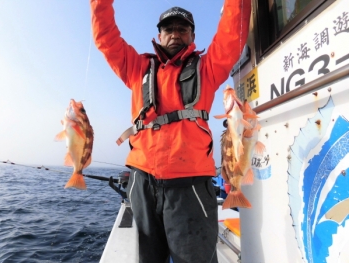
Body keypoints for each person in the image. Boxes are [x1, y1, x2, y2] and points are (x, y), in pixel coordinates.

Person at [90, 1, 251, 262]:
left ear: (192, 36)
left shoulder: (207, 69)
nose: (175, 34)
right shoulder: (137, 67)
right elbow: (106, 37)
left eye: (183, 29)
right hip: (142, 182)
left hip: (191, 186)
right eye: (169, 29)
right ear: (159, 36)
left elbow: (232, 34)